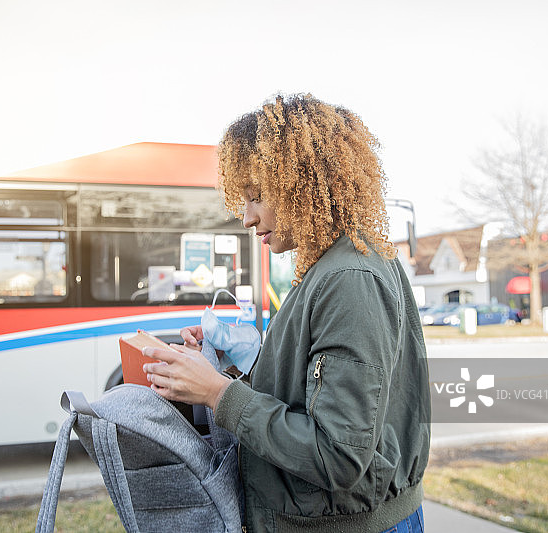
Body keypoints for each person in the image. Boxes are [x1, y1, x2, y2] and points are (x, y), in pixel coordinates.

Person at [143, 93, 430, 533]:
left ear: (306, 182)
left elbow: (338, 454)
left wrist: (219, 395)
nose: (247, 218)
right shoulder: (333, 265)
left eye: (256, 196)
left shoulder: (348, 277)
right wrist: (222, 373)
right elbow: (307, 399)